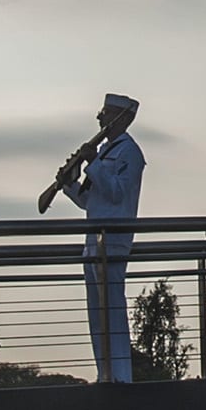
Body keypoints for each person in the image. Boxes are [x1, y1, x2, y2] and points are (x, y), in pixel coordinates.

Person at [70, 93, 144, 382]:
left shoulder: (129, 152)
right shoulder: (105, 151)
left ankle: (120, 375)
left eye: (106, 112)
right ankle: (105, 372)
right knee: (96, 313)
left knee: (111, 308)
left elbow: (116, 192)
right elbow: (92, 200)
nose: (100, 118)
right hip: (93, 238)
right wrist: (69, 185)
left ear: (123, 118)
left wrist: (93, 163)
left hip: (113, 239)